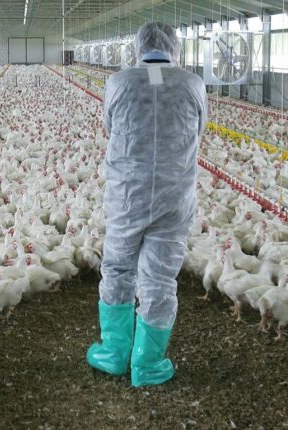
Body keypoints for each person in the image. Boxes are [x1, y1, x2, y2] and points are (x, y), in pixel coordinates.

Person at [87, 22, 207, 387]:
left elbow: (111, 127)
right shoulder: (193, 84)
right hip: (174, 195)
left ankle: (113, 353)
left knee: (118, 268)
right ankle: (148, 363)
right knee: (160, 277)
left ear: (138, 47)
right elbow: (198, 131)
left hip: (128, 194)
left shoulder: (119, 82)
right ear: (174, 47)